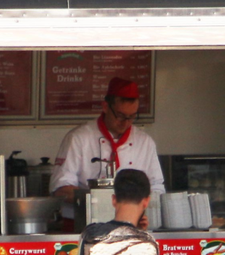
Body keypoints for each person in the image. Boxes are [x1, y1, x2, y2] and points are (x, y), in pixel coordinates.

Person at [50, 77, 165, 227]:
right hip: (80, 224)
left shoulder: (145, 142)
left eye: (132, 117)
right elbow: (60, 188)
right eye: (120, 115)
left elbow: (156, 187)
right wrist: (99, 198)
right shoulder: (78, 138)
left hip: (132, 225)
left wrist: (140, 210)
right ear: (105, 106)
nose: (125, 122)